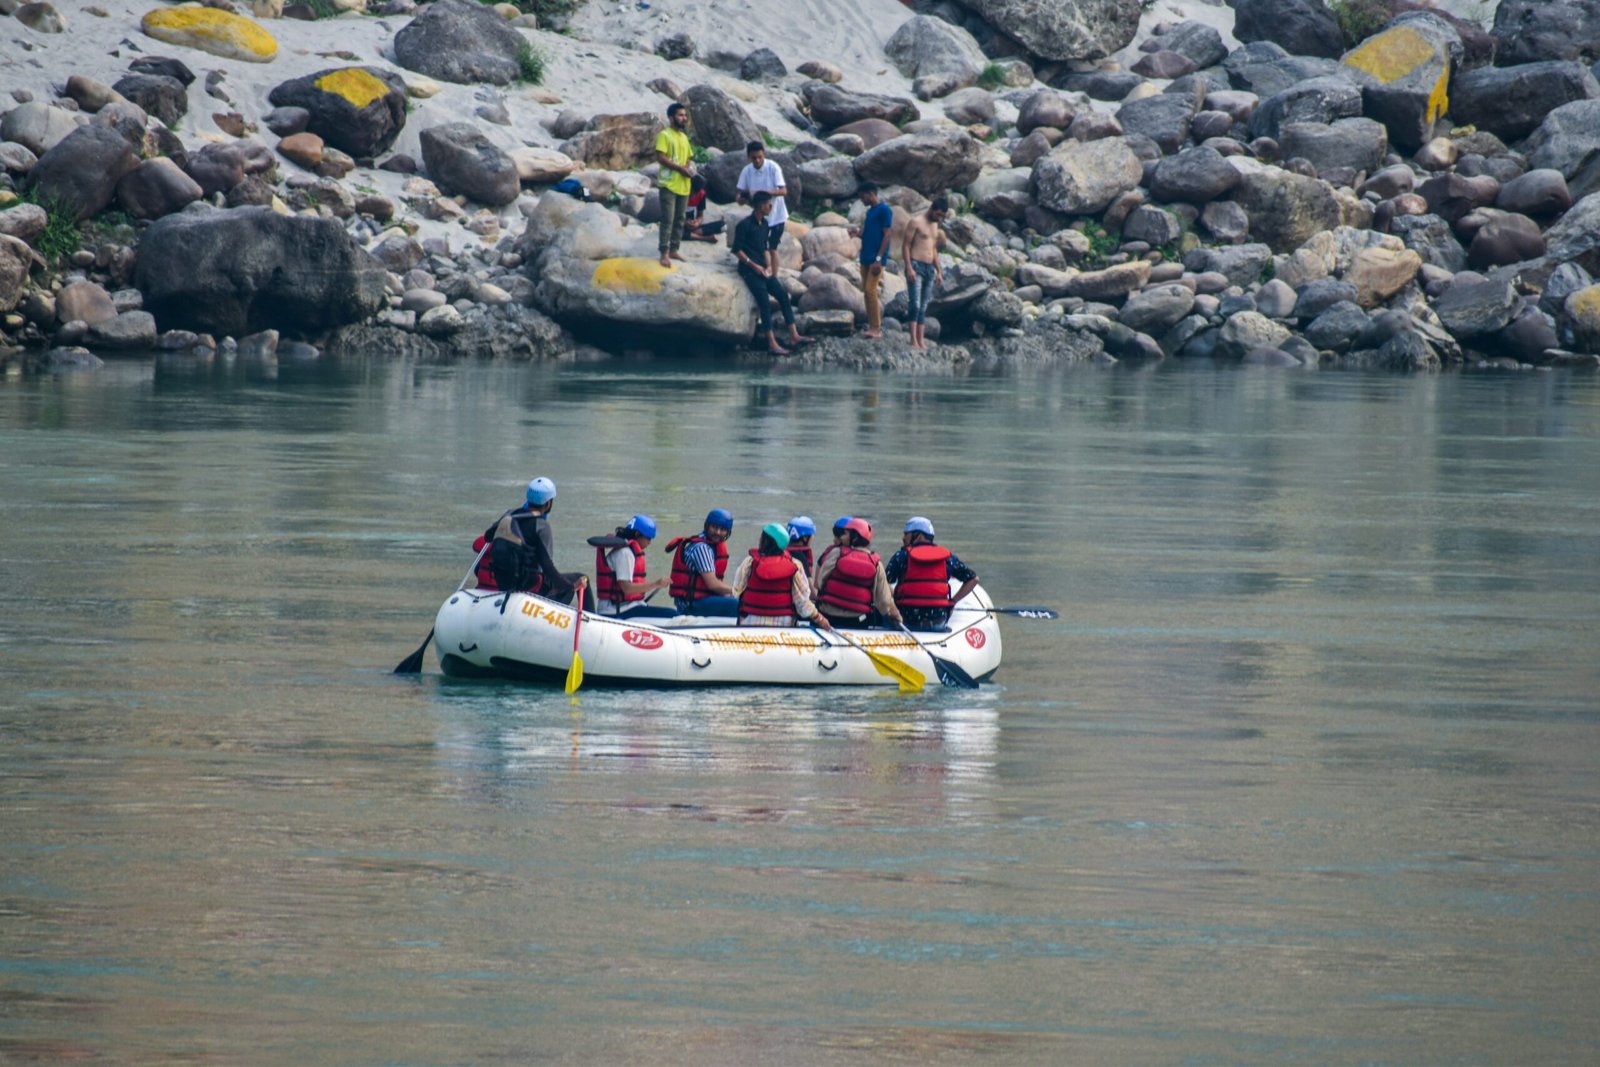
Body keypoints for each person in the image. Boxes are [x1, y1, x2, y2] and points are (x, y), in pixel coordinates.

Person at [482, 476, 592, 608]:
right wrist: (571, 586)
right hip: (530, 585)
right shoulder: (541, 525)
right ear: (548, 503)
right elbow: (548, 568)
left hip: (503, 582)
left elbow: (488, 536)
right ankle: (590, 620)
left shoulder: (510, 514)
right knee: (581, 578)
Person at [733, 192, 811, 355]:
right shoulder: (744, 225)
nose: (771, 206)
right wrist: (754, 266)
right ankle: (771, 343)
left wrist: (768, 266)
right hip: (749, 271)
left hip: (763, 269)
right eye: (768, 203)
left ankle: (794, 335)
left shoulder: (765, 224)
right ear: (760, 205)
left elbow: (765, 249)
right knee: (764, 302)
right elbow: (737, 250)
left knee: (783, 295)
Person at [730, 523, 832, 629]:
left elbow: (736, 591)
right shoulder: (795, 565)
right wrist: (820, 619)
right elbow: (802, 603)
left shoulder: (749, 563)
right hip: (784, 626)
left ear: (763, 541)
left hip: (750, 623)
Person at [885, 515, 978, 631]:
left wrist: (894, 595)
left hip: (906, 621)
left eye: (906, 534)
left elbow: (882, 583)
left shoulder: (901, 556)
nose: (903, 538)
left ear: (918, 536)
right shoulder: (948, 558)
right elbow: (973, 579)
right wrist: (953, 601)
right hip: (937, 622)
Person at [814, 518, 903, 630]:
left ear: (855, 537)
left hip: (828, 616)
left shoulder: (836, 554)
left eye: (845, 534)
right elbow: (884, 603)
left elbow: (820, 582)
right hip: (858, 620)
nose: (841, 537)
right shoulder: (876, 563)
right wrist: (894, 614)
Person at [594, 514, 675, 619]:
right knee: (673, 615)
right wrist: (657, 583)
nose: (650, 542)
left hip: (629, 606)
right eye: (648, 538)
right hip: (615, 611)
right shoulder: (625, 553)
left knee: (671, 613)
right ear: (637, 534)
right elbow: (627, 589)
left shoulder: (627, 550)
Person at [667, 507, 739, 616]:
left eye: (723, 529)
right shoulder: (702, 548)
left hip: (705, 599)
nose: (718, 532)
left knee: (736, 598)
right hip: (690, 605)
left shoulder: (714, 546)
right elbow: (713, 585)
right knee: (739, 604)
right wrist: (739, 591)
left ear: (728, 532)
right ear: (707, 526)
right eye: (714, 527)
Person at [902, 196, 949, 352]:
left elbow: (933, 249)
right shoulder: (916, 222)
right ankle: (913, 340)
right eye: (939, 215)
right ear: (932, 209)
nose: (940, 218)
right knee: (914, 304)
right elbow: (906, 246)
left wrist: (939, 271)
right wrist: (909, 267)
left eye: (942, 216)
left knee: (923, 306)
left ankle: (921, 341)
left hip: (929, 268)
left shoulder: (935, 225)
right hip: (916, 265)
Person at [735, 140, 788, 275]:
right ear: (749, 157)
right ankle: (760, 270)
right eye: (754, 158)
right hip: (759, 217)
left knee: (773, 248)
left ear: (764, 154)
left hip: (776, 215)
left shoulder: (773, 167)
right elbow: (739, 194)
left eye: (760, 157)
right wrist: (741, 199)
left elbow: (783, 191)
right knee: (759, 246)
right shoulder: (747, 171)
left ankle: (774, 277)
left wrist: (764, 194)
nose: (757, 161)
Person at [851, 183, 894, 339]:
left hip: (876, 259)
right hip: (865, 257)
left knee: (871, 290)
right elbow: (866, 233)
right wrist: (856, 233)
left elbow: (887, 235)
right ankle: (871, 325)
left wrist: (879, 258)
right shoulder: (870, 212)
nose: (862, 200)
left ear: (871, 194)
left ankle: (876, 328)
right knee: (866, 293)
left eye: (863, 196)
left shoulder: (884, 210)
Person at [655, 102, 695, 268]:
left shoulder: (684, 138)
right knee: (668, 219)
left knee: (680, 218)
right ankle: (664, 252)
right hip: (669, 184)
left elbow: (689, 158)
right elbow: (661, 157)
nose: (683, 118)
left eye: (685, 115)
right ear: (671, 117)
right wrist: (680, 169)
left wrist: (690, 167)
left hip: (683, 185)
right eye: (680, 115)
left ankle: (674, 248)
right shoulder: (665, 135)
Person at [811, 515, 853, 585]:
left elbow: (817, 583)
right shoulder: (829, 553)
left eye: (838, 537)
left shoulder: (828, 552)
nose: (834, 540)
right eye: (835, 536)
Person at [683, 174, 723, 242]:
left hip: (691, 224)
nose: (693, 195)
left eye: (696, 193)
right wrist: (684, 222)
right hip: (679, 222)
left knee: (722, 225)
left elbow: (700, 215)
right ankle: (705, 238)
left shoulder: (701, 194)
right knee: (675, 232)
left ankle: (692, 234)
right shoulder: (681, 193)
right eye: (692, 192)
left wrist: (697, 222)